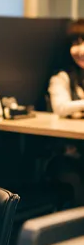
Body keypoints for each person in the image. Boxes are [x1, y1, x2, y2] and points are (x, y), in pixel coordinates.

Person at [46, 19, 84, 205]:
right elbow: (61, 108)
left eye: (83, 42)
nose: (79, 50)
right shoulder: (62, 77)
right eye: (75, 43)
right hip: (69, 154)